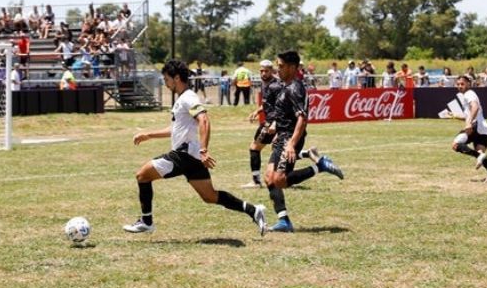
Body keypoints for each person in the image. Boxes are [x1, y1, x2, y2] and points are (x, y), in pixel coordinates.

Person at [122, 59, 267, 235]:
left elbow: (204, 119)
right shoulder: (182, 99)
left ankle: (146, 222)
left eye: (167, 79)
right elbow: (176, 129)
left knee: (142, 175)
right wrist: (149, 135)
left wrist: (204, 150)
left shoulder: (188, 97)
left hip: (184, 154)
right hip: (191, 157)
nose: (166, 83)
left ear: (176, 78)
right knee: (210, 196)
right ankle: (254, 210)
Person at [264, 50, 344, 233]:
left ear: (292, 68)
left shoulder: (296, 87)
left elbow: (302, 118)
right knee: (269, 178)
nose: (278, 69)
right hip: (282, 137)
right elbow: (286, 113)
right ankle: (283, 221)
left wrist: (291, 143)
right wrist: (277, 127)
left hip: (291, 138)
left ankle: (319, 166)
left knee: (280, 180)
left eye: (281, 66)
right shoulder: (285, 85)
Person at [449, 75, 487, 182]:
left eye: (462, 84)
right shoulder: (468, 95)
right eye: (458, 84)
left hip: (476, 125)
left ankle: (478, 156)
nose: (460, 86)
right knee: (481, 154)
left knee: (455, 145)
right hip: (483, 128)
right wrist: (454, 115)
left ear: (469, 84)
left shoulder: (469, 94)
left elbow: (475, 107)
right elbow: (469, 114)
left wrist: (469, 123)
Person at [243, 60, 284, 188]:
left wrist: (275, 123)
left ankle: (255, 181)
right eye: (261, 70)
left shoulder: (276, 85)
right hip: (271, 121)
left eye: (266, 71)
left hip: (272, 122)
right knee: (281, 149)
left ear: (272, 71)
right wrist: (257, 111)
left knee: (254, 148)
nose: (263, 73)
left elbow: (282, 106)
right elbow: (267, 103)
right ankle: (307, 153)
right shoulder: (264, 83)